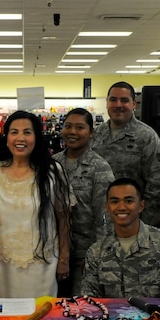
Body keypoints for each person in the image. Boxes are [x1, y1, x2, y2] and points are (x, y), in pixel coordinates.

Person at [0, 110, 73, 298]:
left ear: (37, 137)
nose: (20, 138)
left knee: (42, 318)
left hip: (43, 263)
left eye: (27, 132)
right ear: (6, 138)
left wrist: (64, 258)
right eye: (14, 132)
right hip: (3, 264)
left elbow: (64, 218)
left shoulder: (53, 172)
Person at [79, 178, 160, 299]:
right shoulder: (96, 252)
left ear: (141, 206)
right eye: (114, 201)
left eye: (129, 201)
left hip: (157, 316)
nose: (121, 207)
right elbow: (90, 301)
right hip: (112, 317)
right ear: (107, 207)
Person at [52, 108, 114, 296]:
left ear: (91, 132)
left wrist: (99, 255)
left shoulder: (99, 167)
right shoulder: (53, 163)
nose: (72, 132)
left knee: (80, 306)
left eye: (80, 127)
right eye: (68, 126)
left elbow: (104, 217)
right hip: (54, 250)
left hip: (85, 253)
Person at [91, 81, 160, 227]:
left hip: (134, 223)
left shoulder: (146, 137)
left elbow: (157, 187)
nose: (118, 104)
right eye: (113, 100)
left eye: (124, 100)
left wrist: (143, 227)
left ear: (134, 104)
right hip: (101, 224)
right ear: (107, 103)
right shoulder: (97, 135)